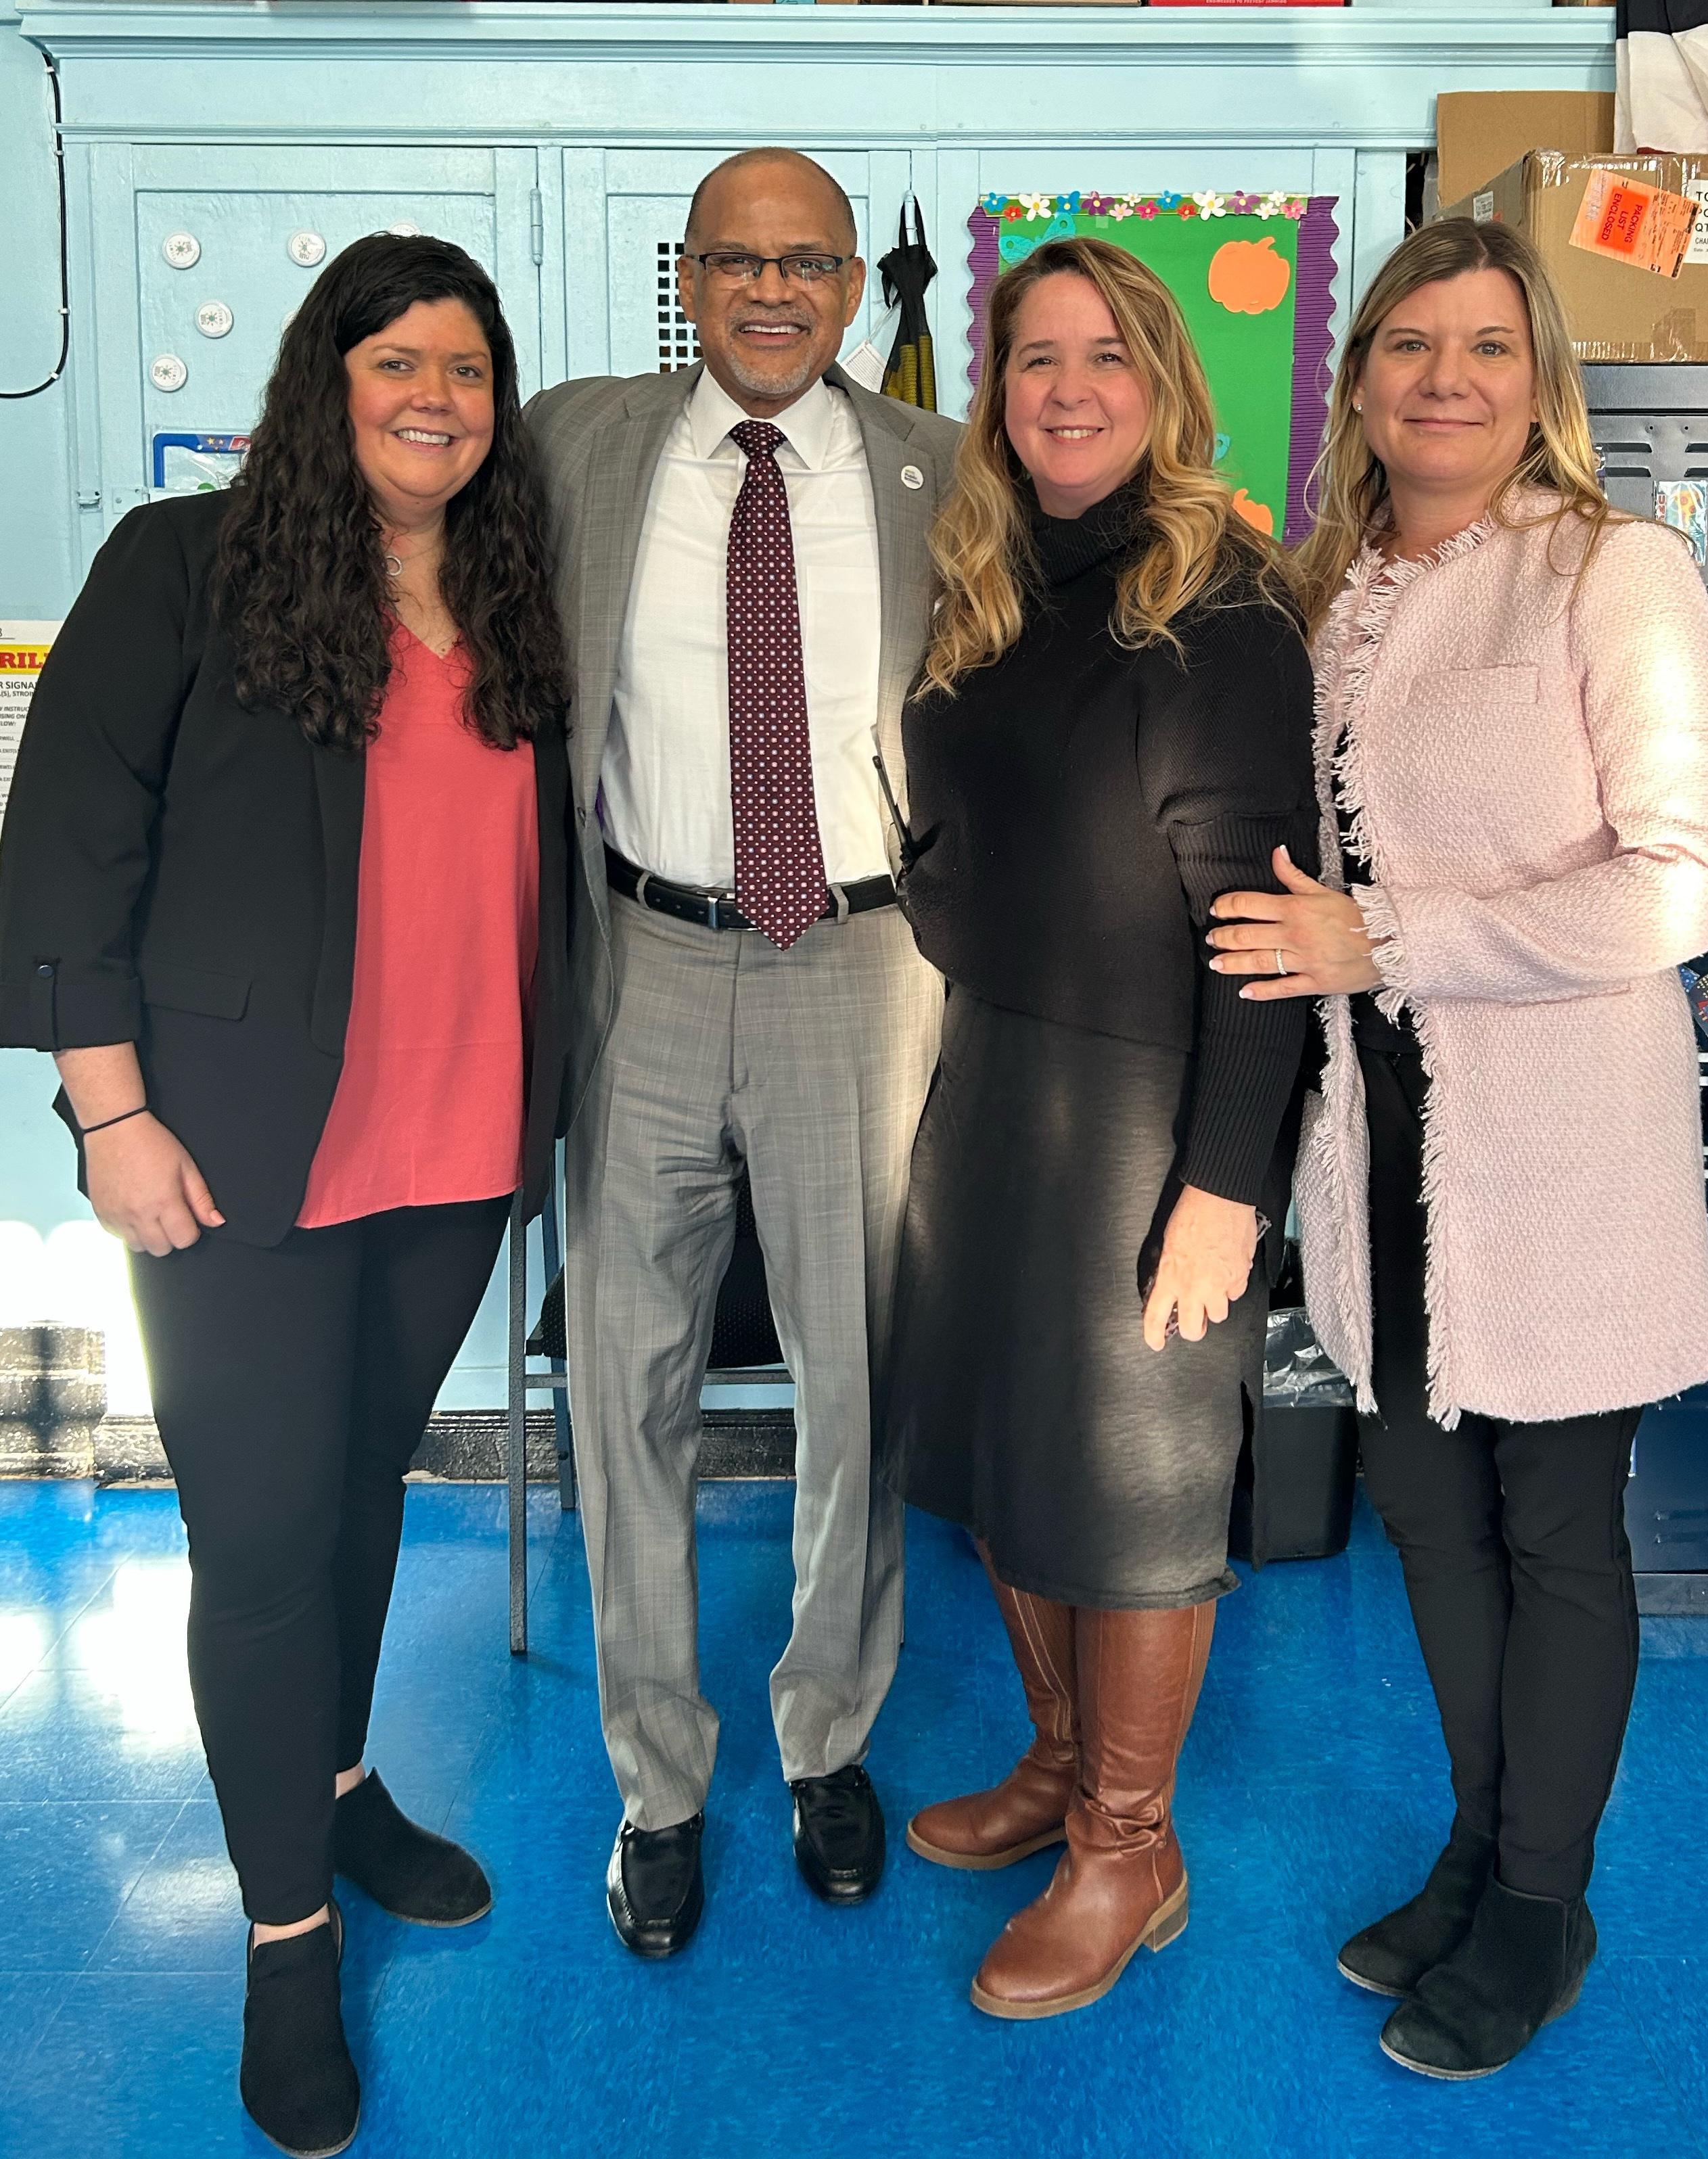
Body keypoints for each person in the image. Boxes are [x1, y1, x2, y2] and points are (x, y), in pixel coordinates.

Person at [0, 235, 571, 2156]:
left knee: (357, 1492)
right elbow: (69, 848)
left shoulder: (512, 596)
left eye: (467, 371)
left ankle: (333, 1787)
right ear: (327, 381)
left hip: (455, 1145)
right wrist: (110, 1117)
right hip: (238, 1149)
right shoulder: (188, 566)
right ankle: (286, 1936)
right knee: (256, 1544)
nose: (435, 398)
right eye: (396, 361)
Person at [1207, 218, 1708, 2078]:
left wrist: (1394, 937)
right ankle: (1476, 1846)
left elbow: (1684, 885)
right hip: (1382, 1150)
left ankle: (1542, 1903)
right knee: (1432, 1528)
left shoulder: (1612, 570)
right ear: (1358, 382)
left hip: (1560, 1148)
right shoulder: (1331, 591)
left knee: (1557, 1534)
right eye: (1410, 344)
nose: (1447, 378)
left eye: (1488, 346)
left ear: (1541, 384)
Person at [524, 148, 960, 1957]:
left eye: (804, 263)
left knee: (857, 1374)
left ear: (851, 286)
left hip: (861, 959)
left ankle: (828, 1736)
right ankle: (659, 1782)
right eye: (734, 260)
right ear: (686, 279)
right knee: (625, 1385)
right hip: (640, 951)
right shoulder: (576, 444)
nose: (769, 290)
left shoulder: (941, 471)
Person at [884, 236, 1320, 2020]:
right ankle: (1065, 1768)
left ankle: (1131, 1848)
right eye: (1035, 357)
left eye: (1105, 356)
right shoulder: (993, 586)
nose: (1066, 389)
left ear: (1164, 385)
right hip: (995, 1081)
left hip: (1150, 1103)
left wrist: (1223, 1188)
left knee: (1135, 1484)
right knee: (1008, 1452)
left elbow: (1265, 938)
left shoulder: (1218, 606)